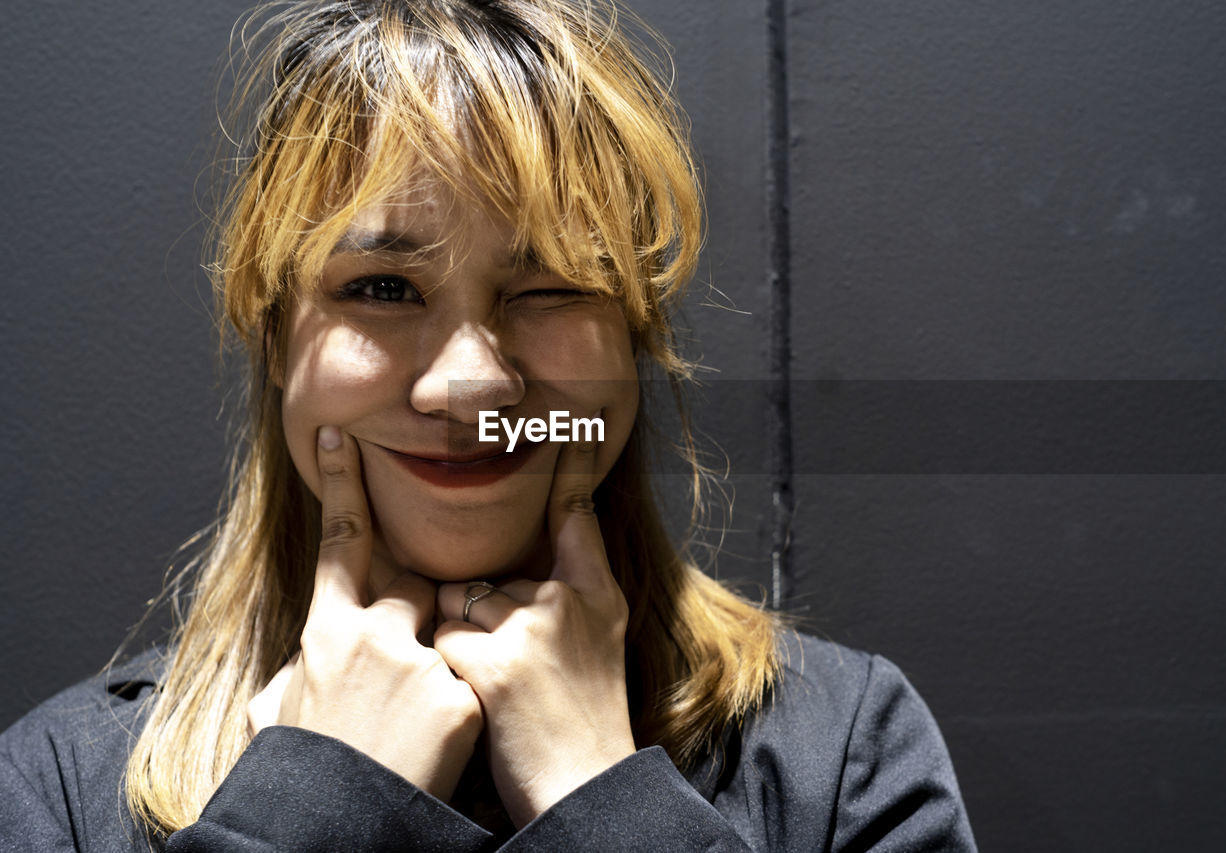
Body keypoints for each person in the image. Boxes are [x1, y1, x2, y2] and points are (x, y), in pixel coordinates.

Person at [0, 0, 976, 849]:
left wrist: (607, 802)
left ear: (634, 332)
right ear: (273, 339)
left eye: (549, 286)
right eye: (381, 287)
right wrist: (306, 806)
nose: (470, 386)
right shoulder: (57, 786)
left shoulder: (840, 752)